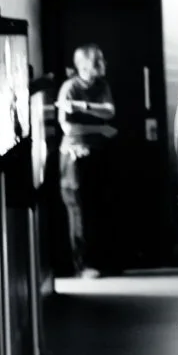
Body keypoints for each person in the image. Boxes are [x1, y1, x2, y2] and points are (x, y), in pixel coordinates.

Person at [56, 45, 117, 278]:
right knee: (77, 208)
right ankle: (81, 264)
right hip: (74, 153)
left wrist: (83, 107)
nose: (103, 64)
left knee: (97, 205)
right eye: (97, 61)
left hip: (96, 153)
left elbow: (109, 111)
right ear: (83, 66)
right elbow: (68, 126)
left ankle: (99, 259)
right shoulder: (69, 87)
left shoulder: (102, 85)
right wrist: (101, 127)